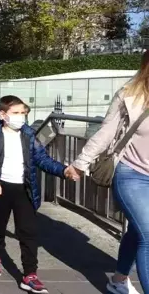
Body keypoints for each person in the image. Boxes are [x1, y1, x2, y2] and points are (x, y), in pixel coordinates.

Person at [65, 51, 149, 294]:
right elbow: (106, 132)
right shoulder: (129, 95)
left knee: (138, 231)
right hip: (132, 174)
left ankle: (119, 280)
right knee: (148, 235)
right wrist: (81, 162)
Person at [0, 95, 79, 294]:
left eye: (23, 113)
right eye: (15, 113)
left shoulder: (29, 134)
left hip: (24, 189)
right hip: (1, 187)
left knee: (28, 232)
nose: (20, 117)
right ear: (3, 114)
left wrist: (63, 170)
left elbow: (42, 159)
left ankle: (30, 275)